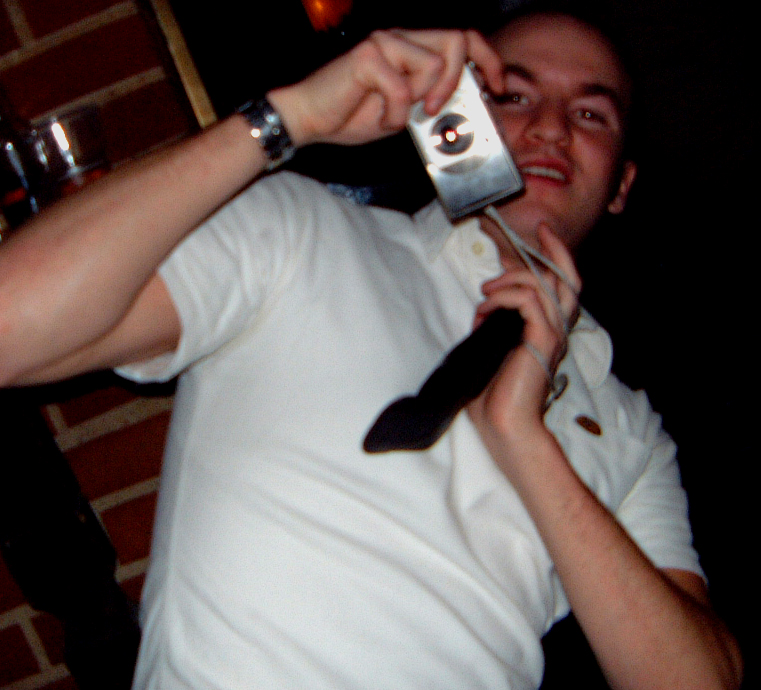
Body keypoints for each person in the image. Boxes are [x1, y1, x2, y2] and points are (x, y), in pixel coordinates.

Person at [0, 6, 743, 690]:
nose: (550, 127)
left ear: (621, 185)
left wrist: (523, 440)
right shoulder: (299, 231)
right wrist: (285, 120)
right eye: (512, 96)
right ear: (451, 115)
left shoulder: (628, 424)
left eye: (589, 113)